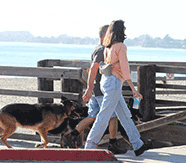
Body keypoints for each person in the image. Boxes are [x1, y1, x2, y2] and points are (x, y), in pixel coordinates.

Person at [82, 20, 152, 156]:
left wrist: (90, 88)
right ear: (121, 31)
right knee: (104, 114)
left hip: (106, 82)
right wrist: (133, 89)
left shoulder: (107, 46)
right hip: (114, 83)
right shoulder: (121, 46)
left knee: (124, 114)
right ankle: (90, 146)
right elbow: (125, 69)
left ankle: (138, 144)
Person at [63, 24, 127, 154]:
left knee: (92, 115)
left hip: (95, 89)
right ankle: (112, 143)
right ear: (105, 35)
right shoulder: (102, 50)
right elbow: (97, 69)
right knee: (113, 117)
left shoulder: (97, 49)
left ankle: (71, 136)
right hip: (101, 90)